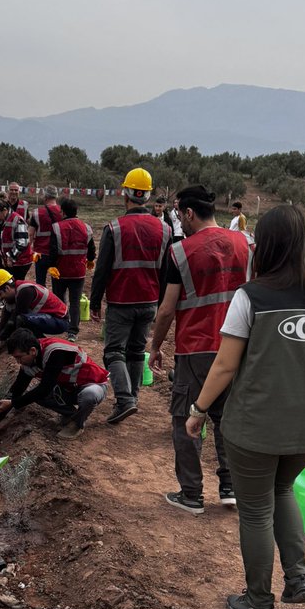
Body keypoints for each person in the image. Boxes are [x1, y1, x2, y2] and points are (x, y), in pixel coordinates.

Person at [185, 204, 305, 609]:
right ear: (303, 244)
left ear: (265, 245)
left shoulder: (252, 297)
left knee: (256, 510)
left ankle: (258, 602)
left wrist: (198, 410)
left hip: (256, 427)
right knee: (282, 490)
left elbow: (224, 366)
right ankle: (298, 578)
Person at [149, 184, 251, 514]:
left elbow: (166, 309)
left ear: (189, 213)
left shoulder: (180, 252)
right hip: (237, 347)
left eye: (180, 215)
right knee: (227, 419)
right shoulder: (245, 243)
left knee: (186, 418)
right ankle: (231, 487)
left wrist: (155, 346)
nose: (179, 220)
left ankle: (191, 494)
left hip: (196, 350)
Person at [89, 167, 170, 425]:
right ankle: (133, 396)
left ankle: (125, 400)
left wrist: (94, 302)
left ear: (126, 194)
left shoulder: (114, 228)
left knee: (114, 351)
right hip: (149, 302)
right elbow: (167, 273)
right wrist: (161, 304)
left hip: (121, 301)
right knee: (136, 351)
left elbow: (101, 270)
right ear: (146, 197)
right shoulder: (165, 230)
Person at [0, 328, 109, 441]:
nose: (18, 362)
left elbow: (45, 388)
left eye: (19, 357)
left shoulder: (55, 352)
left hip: (93, 384)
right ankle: (71, 414)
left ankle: (77, 423)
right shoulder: (29, 363)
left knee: (89, 396)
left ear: (33, 351)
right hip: (69, 389)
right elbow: (16, 393)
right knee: (35, 394)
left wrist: (13, 403)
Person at [0, 270, 69, 363]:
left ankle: (40, 350)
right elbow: (3, 324)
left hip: (60, 320)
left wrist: (1, 339)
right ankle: (39, 346)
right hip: (46, 319)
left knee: (21, 320)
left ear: (7, 288)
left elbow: (14, 320)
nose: (0, 298)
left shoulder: (25, 291)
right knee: (20, 321)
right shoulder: (11, 300)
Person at [50, 199, 96, 339]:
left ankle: (61, 324)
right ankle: (73, 332)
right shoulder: (86, 227)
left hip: (60, 272)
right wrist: (90, 260)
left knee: (59, 299)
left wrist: (51, 265)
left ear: (62, 212)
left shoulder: (57, 227)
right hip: (78, 273)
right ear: (76, 211)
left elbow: (53, 250)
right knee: (75, 302)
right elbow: (92, 248)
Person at [0, 195, 32, 280]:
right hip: (13, 260)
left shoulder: (17, 220)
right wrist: (4, 257)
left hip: (21, 261)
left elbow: (22, 242)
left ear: (5, 210)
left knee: (14, 286)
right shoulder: (2, 220)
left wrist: (11, 257)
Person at [28, 186, 64, 284]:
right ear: (56, 196)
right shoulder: (63, 211)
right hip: (57, 253)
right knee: (57, 282)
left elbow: (30, 234)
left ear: (45, 197)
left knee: (40, 282)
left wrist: (28, 250)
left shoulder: (36, 212)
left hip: (40, 253)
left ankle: (42, 298)